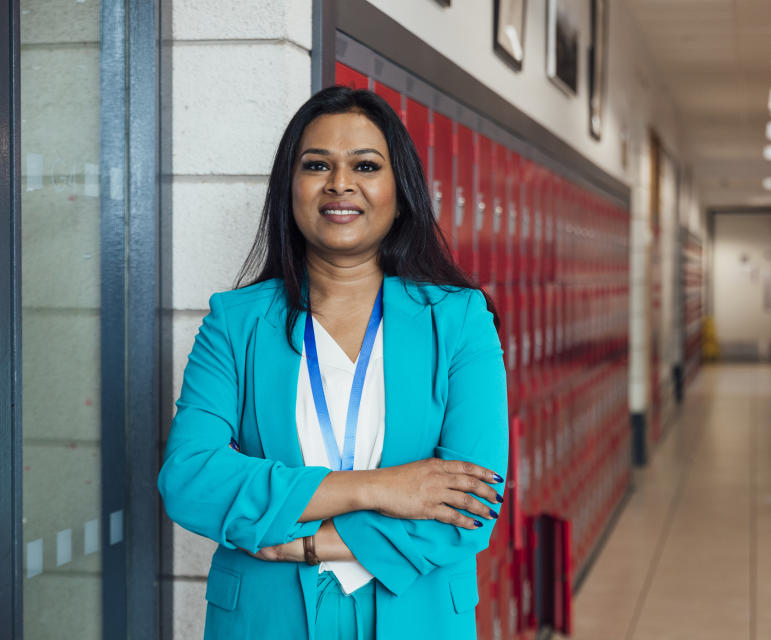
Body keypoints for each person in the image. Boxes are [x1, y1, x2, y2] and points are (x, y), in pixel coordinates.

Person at [158, 85, 509, 639]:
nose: (339, 183)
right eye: (316, 165)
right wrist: (378, 487)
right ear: (289, 187)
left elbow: (472, 503)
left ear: (400, 189)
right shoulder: (236, 323)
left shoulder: (459, 321)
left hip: (419, 616)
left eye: (365, 165)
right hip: (264, 619)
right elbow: (190, 479)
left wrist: (310, 542)